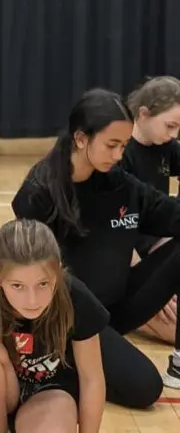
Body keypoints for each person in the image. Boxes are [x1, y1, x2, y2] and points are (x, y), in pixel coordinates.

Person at [11, 88, 180, 407]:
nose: (119, 155)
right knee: (146, 388)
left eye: (124, 146)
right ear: (80, 139)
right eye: (111, 145)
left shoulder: (120, 183)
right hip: (71, 319)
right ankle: (54, 363)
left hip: (116, 307)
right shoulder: (41, 193)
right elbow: (36, 282)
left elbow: (170, 215)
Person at [0, 219, 108, 433]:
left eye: (43, 284)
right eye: (18, 286)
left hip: (52, 393)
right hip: (1, 392)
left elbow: (92, 379)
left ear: (58, 272)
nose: (32, 300)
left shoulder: (76, 298)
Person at [120, 76, 180, 344]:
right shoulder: (119, 154)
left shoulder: (166, 146)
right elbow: (113, 234)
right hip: (130, 259)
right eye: (170, 125)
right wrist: (151, 282)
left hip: (161, 246)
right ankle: (135, 316)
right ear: (143, 114)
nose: (174, 134)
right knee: (172, 327)